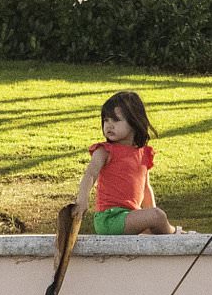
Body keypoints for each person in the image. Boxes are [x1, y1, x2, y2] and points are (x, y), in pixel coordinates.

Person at [72, 91, 182, 235]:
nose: (109, 125)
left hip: (131, 216)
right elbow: (90, 174)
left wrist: (151, 219)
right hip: (110, 219)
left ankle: (163, 233)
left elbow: (145, 188)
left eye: (116, 120)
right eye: (106, 120)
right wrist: (82, 200)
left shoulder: (144, 153)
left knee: (155, 217)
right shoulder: (105, 151)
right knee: (157, 216)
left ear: (134, 121)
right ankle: (176, 234)